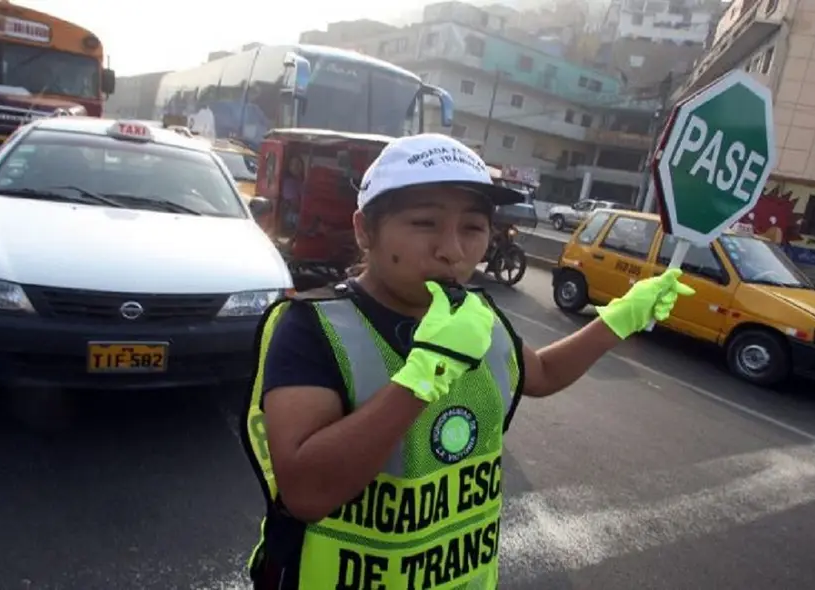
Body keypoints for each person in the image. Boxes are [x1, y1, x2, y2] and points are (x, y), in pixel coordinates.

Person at [239, 133, 695, 590]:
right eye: (424, 223)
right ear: (364, 229)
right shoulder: (312, 327)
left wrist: (621, 316)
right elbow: (307, 493)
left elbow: (540, 373)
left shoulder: (477, 316)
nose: (452, 251)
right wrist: (426, 373)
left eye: (473, 229)